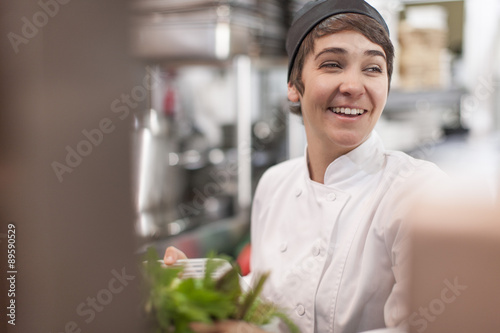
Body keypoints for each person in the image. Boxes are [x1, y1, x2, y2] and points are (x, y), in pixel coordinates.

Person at [165, 0, 446, 332]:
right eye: (332, 64)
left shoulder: (420, 194)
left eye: (373, 68)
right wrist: (203, 289)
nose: (354, 86)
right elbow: (270, 294)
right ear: (293, 85)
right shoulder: (274, 184)